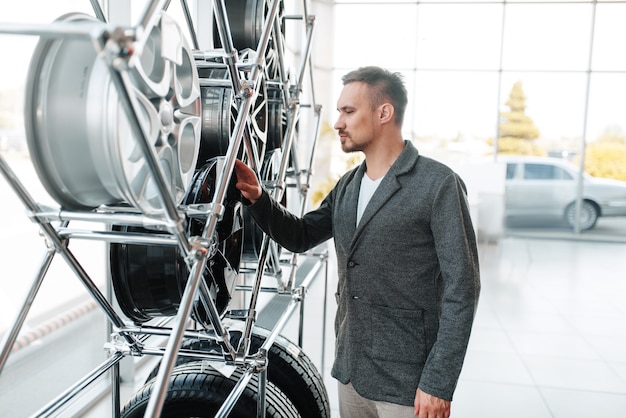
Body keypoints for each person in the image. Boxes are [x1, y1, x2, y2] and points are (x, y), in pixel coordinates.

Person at [234, 66, 480, 418]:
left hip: (408, 382)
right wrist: (258, 198)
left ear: (384, 113)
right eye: (338, 112)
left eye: (348, 111)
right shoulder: (349, 185)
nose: (338, 122)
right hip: (351, 373)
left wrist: (439, 382)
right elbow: (301, 235)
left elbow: (463, 288)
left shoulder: (438, 184)